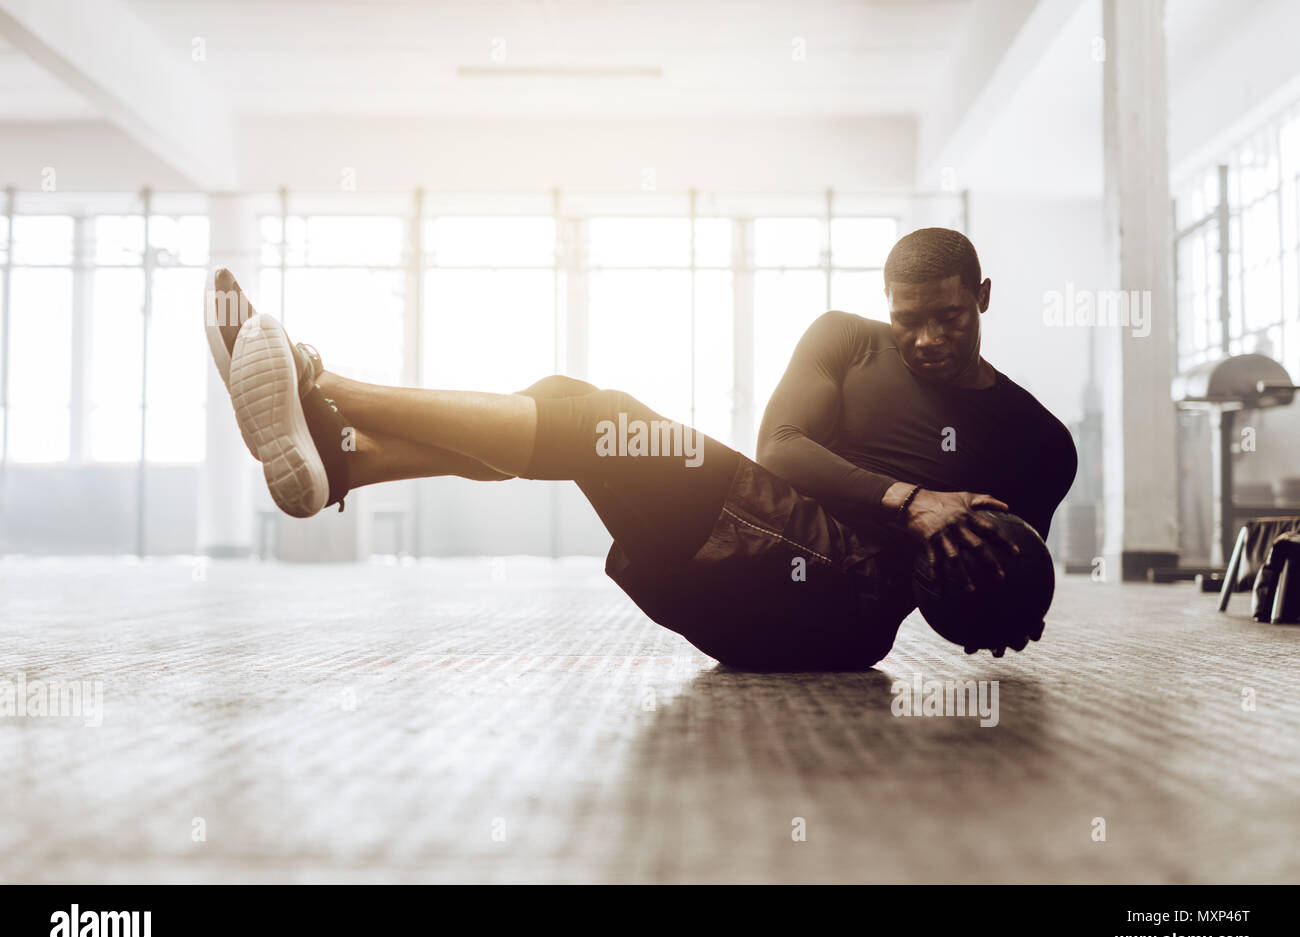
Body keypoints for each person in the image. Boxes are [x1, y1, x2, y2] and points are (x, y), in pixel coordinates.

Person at [203, 228, 1076, 669]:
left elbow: (992, 594)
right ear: (885, 307)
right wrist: (911, 500)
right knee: (566, 405)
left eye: (948, 318)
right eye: (907, 318)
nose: (924, 339)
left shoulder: (1038, 444)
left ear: (985, 298)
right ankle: (340, 457)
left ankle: (322, 386)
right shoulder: (846, 341)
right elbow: (780, 449)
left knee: (592, 420)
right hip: (767, 548)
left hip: (843, 606)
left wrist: (1000, 611)